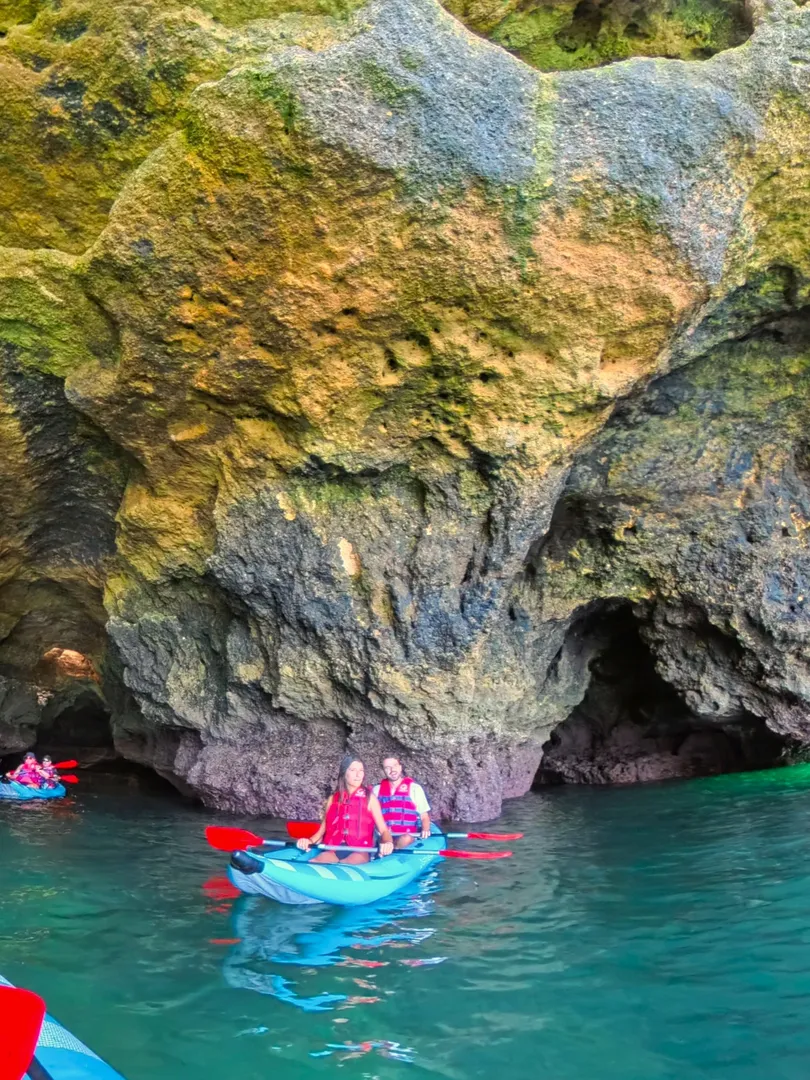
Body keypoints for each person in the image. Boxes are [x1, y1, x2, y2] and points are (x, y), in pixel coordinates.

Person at [297, 756, 394, 864]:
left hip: (360, 851)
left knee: (345, 865)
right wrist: (308, 841)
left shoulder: (370, 798)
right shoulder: (332, 799)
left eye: (361, 771)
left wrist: (388, 842)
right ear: (344, 773)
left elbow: (384, 830)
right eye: (353, 770)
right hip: (334, 849)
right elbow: (321, 831)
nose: (358, 775)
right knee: (314, 862)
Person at [373, 756, 432, 848]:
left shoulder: (415, 788)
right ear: (383, 771)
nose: (392, 770)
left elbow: (424, 816)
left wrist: (425, 830)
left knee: (406, 838)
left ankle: (393, 852)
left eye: (395, 766)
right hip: (385, 836)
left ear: (400, 767)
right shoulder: (376, 790)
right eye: (387, 768)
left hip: (407, 836)